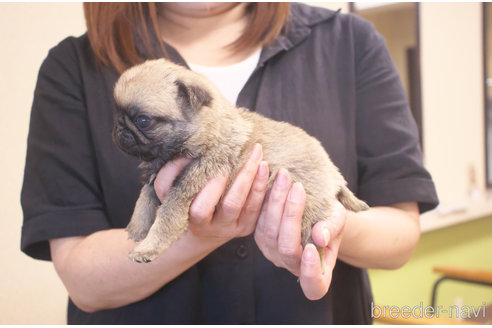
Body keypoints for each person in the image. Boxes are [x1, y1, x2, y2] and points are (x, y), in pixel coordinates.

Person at [21, 2, 438, 324]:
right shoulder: (71, 68)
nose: (127, 131)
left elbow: (400, 231)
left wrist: (327, 224)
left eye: (145, 121)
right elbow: (82, 278)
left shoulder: (350, 41)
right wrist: (195, 234)